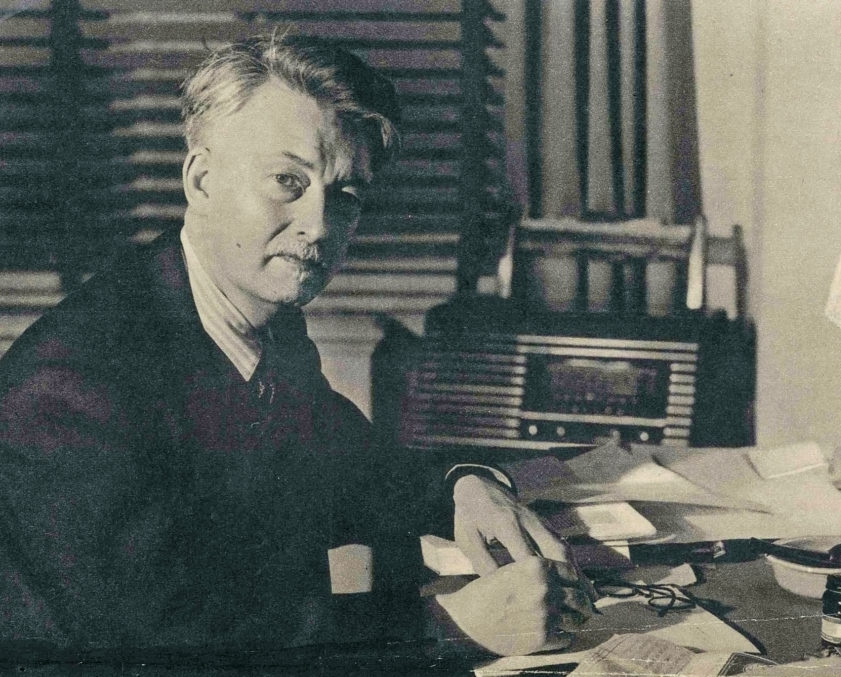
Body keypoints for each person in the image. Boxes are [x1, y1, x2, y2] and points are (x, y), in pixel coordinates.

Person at [0, 33, 591, 666]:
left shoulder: (257, 316)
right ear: (201, 180)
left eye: (346, 195)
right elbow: (171, 648)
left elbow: (345, 466)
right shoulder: (69, 389)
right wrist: (447, 627)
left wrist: (462, 484)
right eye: (288, 181)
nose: (318, 225)